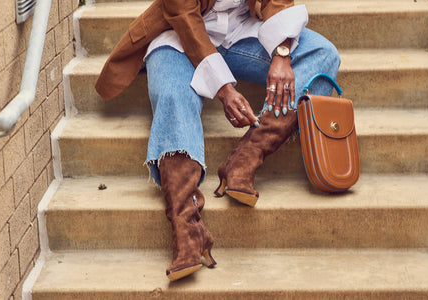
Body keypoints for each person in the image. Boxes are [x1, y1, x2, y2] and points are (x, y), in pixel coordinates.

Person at [95, 0, 340, 282]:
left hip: (243, 30)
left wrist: (282, 54)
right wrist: (224, 90)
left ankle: (245, 158)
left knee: (322, 54)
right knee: (174, 97)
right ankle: (186, 230)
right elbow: (184, 17)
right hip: (180, 35)